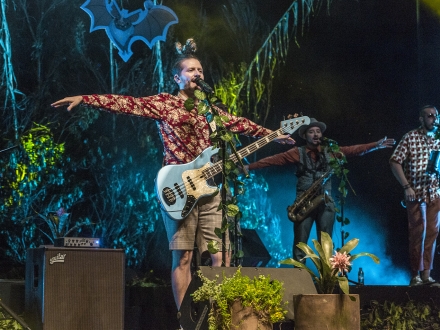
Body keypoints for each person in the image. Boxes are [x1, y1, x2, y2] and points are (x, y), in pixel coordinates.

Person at [51, 39, 294, 311]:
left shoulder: (211, 110)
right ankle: (185, 320)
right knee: (183, 257)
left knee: (222, 256)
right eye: (191, 70)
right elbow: (126, 103)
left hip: (212, 188)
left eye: (200, 70)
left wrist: (274, 134)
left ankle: (218, 316)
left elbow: (241, 124)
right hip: (178, 187)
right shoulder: (165, 104)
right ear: (177, 78)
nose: (197, 74)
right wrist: (86, 99)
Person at [247, 118, 395, 262]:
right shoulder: (297, 152)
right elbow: (272, 160)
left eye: (318, 131)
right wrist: (248, 167)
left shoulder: (329, 151)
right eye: (312, 131)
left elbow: (353, 150)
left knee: (326, 246)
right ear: (305, 136)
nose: (316, 134)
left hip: (325, 201)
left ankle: (325, 281)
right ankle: (299, 279)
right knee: (301, 245)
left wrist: (376, 145)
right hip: (303, 202)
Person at [390, 105, 440, 286]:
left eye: (436, 115)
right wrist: (406, 186)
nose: (434, 119)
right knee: (418, 231)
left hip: (435, 192)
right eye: (430, 116)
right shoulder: (411, 137)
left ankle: (426, 275)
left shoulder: (439, 137)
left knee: (432, 233)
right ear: (421, 119)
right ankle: (415, 275)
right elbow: (395, 161)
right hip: (416, 192)